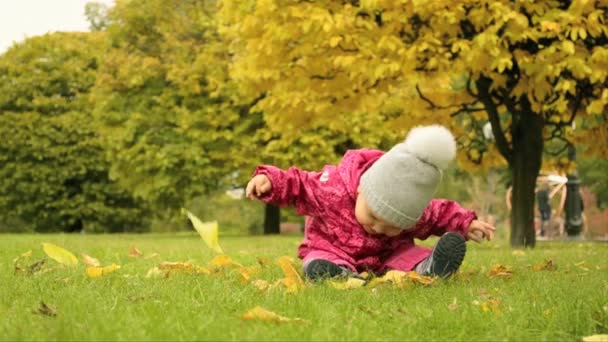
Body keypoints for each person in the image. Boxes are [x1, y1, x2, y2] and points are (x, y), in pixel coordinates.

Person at [245, 125, 495, 280]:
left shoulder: (413, 213)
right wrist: (270, 180)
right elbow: (299, 184)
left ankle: (431, 267)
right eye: (373, 216)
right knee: (318, 259)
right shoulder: (332, 187)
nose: (377, 228)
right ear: (361, 189)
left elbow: (438, 213)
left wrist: (465, 223)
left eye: (391, 226)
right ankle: (334, 274)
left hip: (385, 256)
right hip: (332, 248)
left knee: (407, 256)